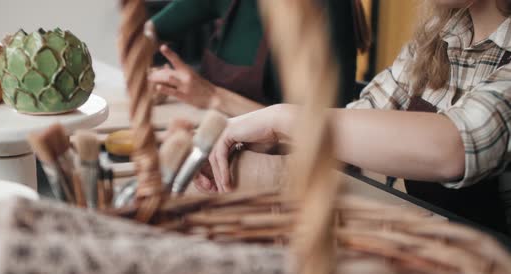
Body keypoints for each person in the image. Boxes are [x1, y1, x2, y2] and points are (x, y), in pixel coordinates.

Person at [196, 0, 511, 234]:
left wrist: (281, 120)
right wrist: (265, 142)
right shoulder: (435, 36)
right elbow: (364, 116)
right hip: (438, 239)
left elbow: (456, 147)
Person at [146, 0, 358, 116]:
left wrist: (212, 96)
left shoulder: (326, 8)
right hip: (220, 135)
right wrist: (146, 73)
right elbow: (150, 32)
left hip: (287, 164)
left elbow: (320, 133)